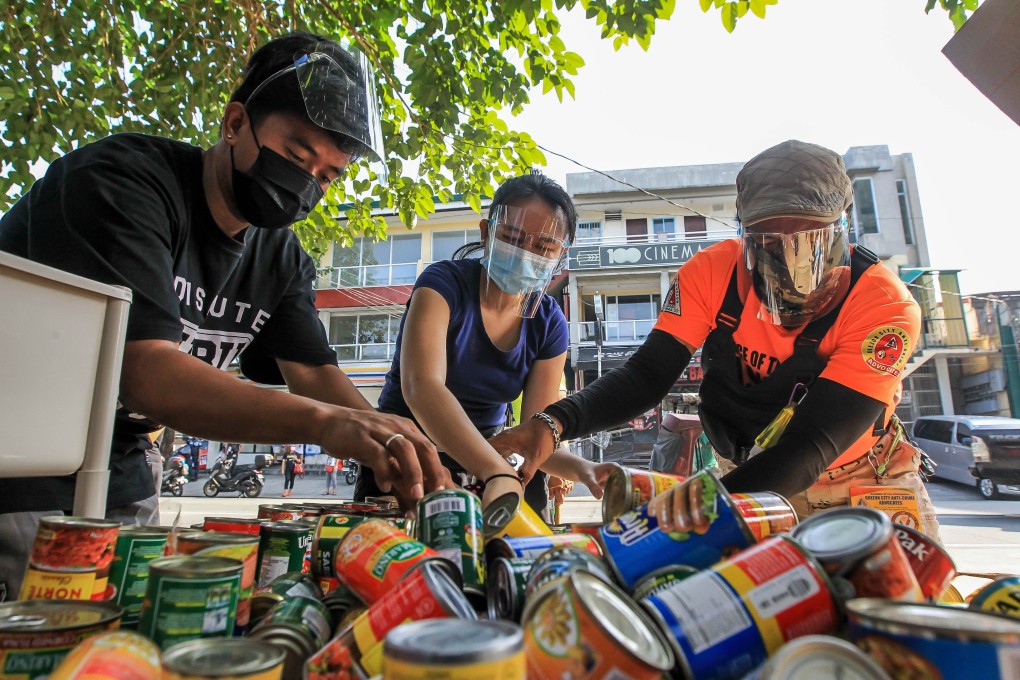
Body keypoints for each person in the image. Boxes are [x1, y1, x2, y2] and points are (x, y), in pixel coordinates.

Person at [0, 32, 449, 598]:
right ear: (235, 123)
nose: (306, 185)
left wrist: (390, 441)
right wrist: (324, 424)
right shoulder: (124, 183)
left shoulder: (281, 257)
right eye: (295, 155)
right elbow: (147, 374)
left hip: (120, 474)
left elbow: (314, 374)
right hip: (17, 461)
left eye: (329, 176)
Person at [491, 140, 940, 538]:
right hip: (746, 469)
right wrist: (552, 424)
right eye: (768, 244)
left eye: (809, 242)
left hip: (857, 476)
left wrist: (697, 513)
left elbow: (811, 445)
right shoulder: (712, 272)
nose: (791, 264)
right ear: (744, 232)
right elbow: (648, 376)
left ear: (842, 227)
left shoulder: (884, 306)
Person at [356, 173, 616, 523]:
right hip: (405, 459)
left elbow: (533, 434)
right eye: (512, 238)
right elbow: (422, 388)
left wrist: (583, 468)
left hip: (489, 468)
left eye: (543, 248)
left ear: (559, 256)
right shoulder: (441, 284)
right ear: (485, 232)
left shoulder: (549, 321)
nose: (526, 255)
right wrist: (496, 470)